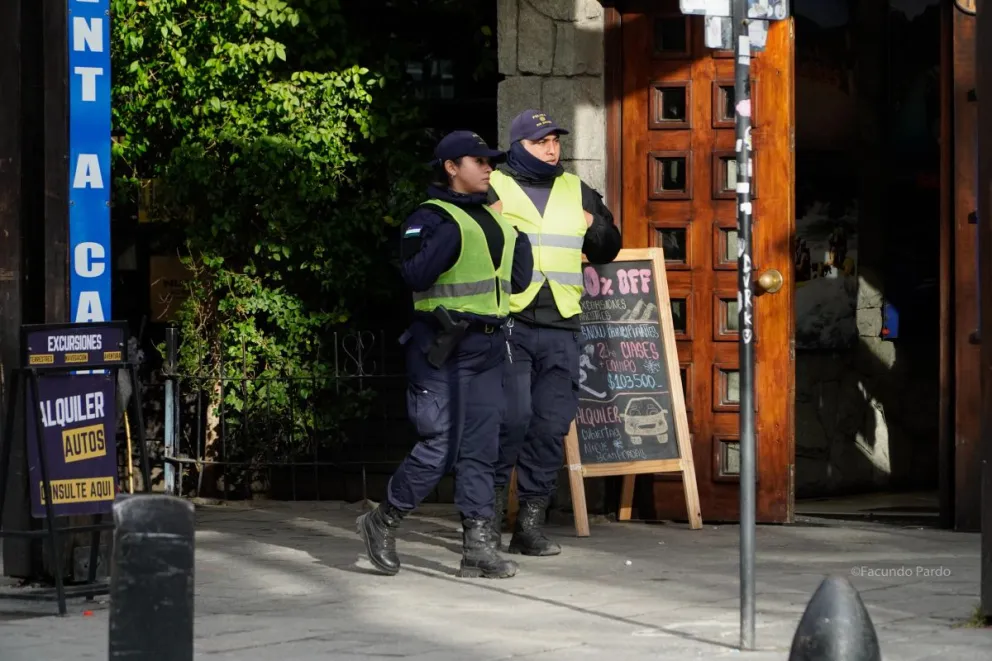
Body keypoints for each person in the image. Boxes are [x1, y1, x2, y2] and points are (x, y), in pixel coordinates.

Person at [357, 131, 534, 579]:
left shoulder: (496, 220)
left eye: (492, 160)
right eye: (478, 160)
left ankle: (477, 545)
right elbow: (415, 273)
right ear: (451, 168)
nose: (489, 167)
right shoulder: (430, 218)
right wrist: (456, 234)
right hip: (442, 347)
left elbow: (516, 281)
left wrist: (517, 237)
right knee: (439, 443)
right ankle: (383, 521)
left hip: (489, 346)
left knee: (482, 446)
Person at [488, 109, 621, 556]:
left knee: (549, 426)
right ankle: (484, 524)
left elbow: (608, 247)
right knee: (511, 420)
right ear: (517, 146)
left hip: (562, 324)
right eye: (540, 141)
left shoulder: (576, 189)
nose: (551, 148)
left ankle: (529, 524)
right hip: (511, 322)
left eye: (555, 141)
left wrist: (593, 224)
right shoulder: (495, 187)